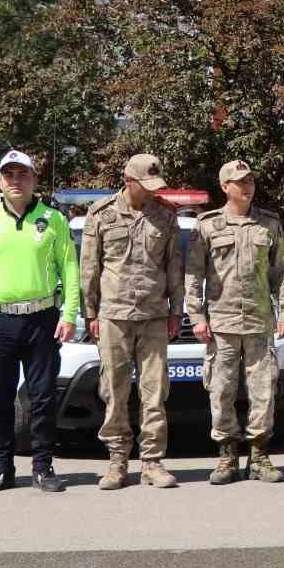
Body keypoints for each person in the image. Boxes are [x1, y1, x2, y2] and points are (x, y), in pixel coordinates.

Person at [0, 150, 80, 493]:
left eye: (22, 174)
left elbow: (69, 269)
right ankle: (2, 466)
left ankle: (42, 466)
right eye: (9, 175)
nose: (16, 181)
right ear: (0, 181)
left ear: (34, 179)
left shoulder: (53, 220)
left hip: (42, 319)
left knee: (42, 396)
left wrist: (69, 313)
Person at [80, 154, 184, 490]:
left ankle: (152, 462)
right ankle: (117, 461)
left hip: (154, 316)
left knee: (155, 393)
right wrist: (91, 313)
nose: (153, 191)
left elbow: (174, 268)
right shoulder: (101, 215)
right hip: (114, 316)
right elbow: (89, 268)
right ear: (129, 180)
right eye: (146, 184)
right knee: (114, 390)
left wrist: (175, 311)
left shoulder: (166, 217)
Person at [187, 160, 284, 485]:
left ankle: (259, 456)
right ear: (225, 187)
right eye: (239, 182)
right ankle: (227, 457)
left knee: (264, 391)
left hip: (260, 323)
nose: (246, 187)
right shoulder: (207, 226)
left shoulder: (268, 225)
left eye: (250, 180)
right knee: (221, 392)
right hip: (221, 325)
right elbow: (193, 275)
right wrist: (197, 315)